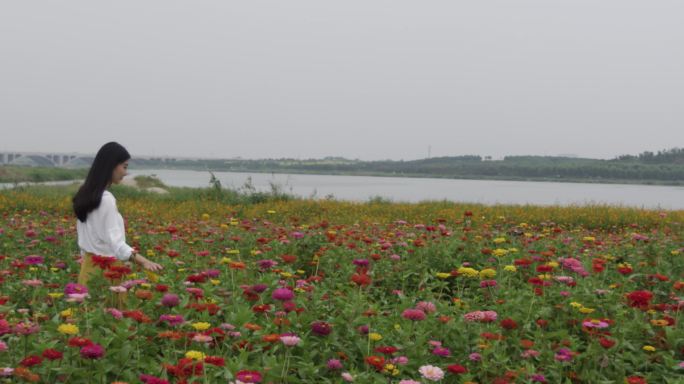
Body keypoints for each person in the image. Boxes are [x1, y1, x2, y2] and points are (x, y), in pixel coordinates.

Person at [73, 142, 162, 307]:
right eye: (124, 166)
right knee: (110, 322)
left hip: (88, 268)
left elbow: (85, 240)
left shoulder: (85, 195)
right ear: (111, 166)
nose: (126, 172)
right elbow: (117, 244)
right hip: (108, 271)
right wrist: (144, 261)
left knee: (89, 320)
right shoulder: (106, 199)